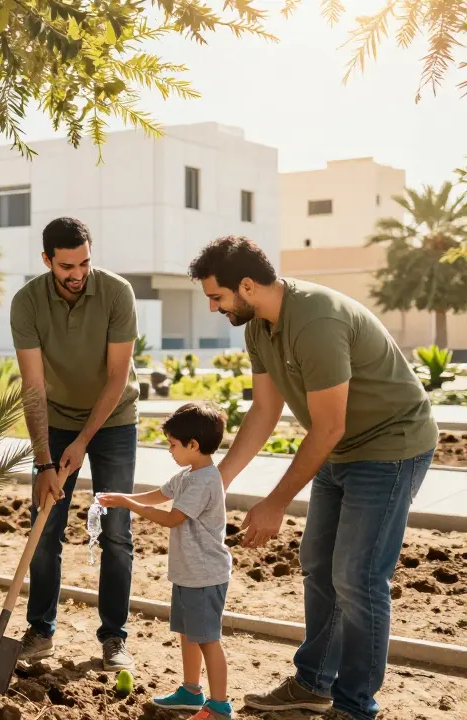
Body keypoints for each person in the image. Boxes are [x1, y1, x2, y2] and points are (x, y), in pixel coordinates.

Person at [187, 237, 437, 720]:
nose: (214, 307)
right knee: (319, 564)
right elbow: (264, 410)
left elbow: (328, 427)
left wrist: (275, 502)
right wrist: (214, 481)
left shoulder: (316, 320)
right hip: (342, 448)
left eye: (217, 297)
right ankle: (314, 682)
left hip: (391, 446)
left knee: (358, 576)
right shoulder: (258, 327)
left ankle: (355, 705)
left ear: (246, 285)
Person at [9, 216, 139, 671]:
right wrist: (44, 462)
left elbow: (118, 376)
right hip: (56, 418)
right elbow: (33, 387)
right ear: (47, 261)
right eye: (67, 266)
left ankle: (113, 637)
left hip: (114, 419)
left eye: (85, 262)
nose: (78, 273)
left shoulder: (117, 293)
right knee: (45, 528)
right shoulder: (26, 303)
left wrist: (85, 439)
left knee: (117, 532)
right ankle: (41, 629)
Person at [98, 403, 233, 720]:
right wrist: (123, 499)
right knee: (188, 634)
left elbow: (172, 518)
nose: (170, 450)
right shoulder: (187, 475)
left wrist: (130, 505)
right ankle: (190, 690)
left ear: (193, 445)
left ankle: (220, 706)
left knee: (208, 640)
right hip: (188, 574)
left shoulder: (205, 481)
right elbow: (159, 495)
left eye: (173, 444)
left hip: (205, 576)